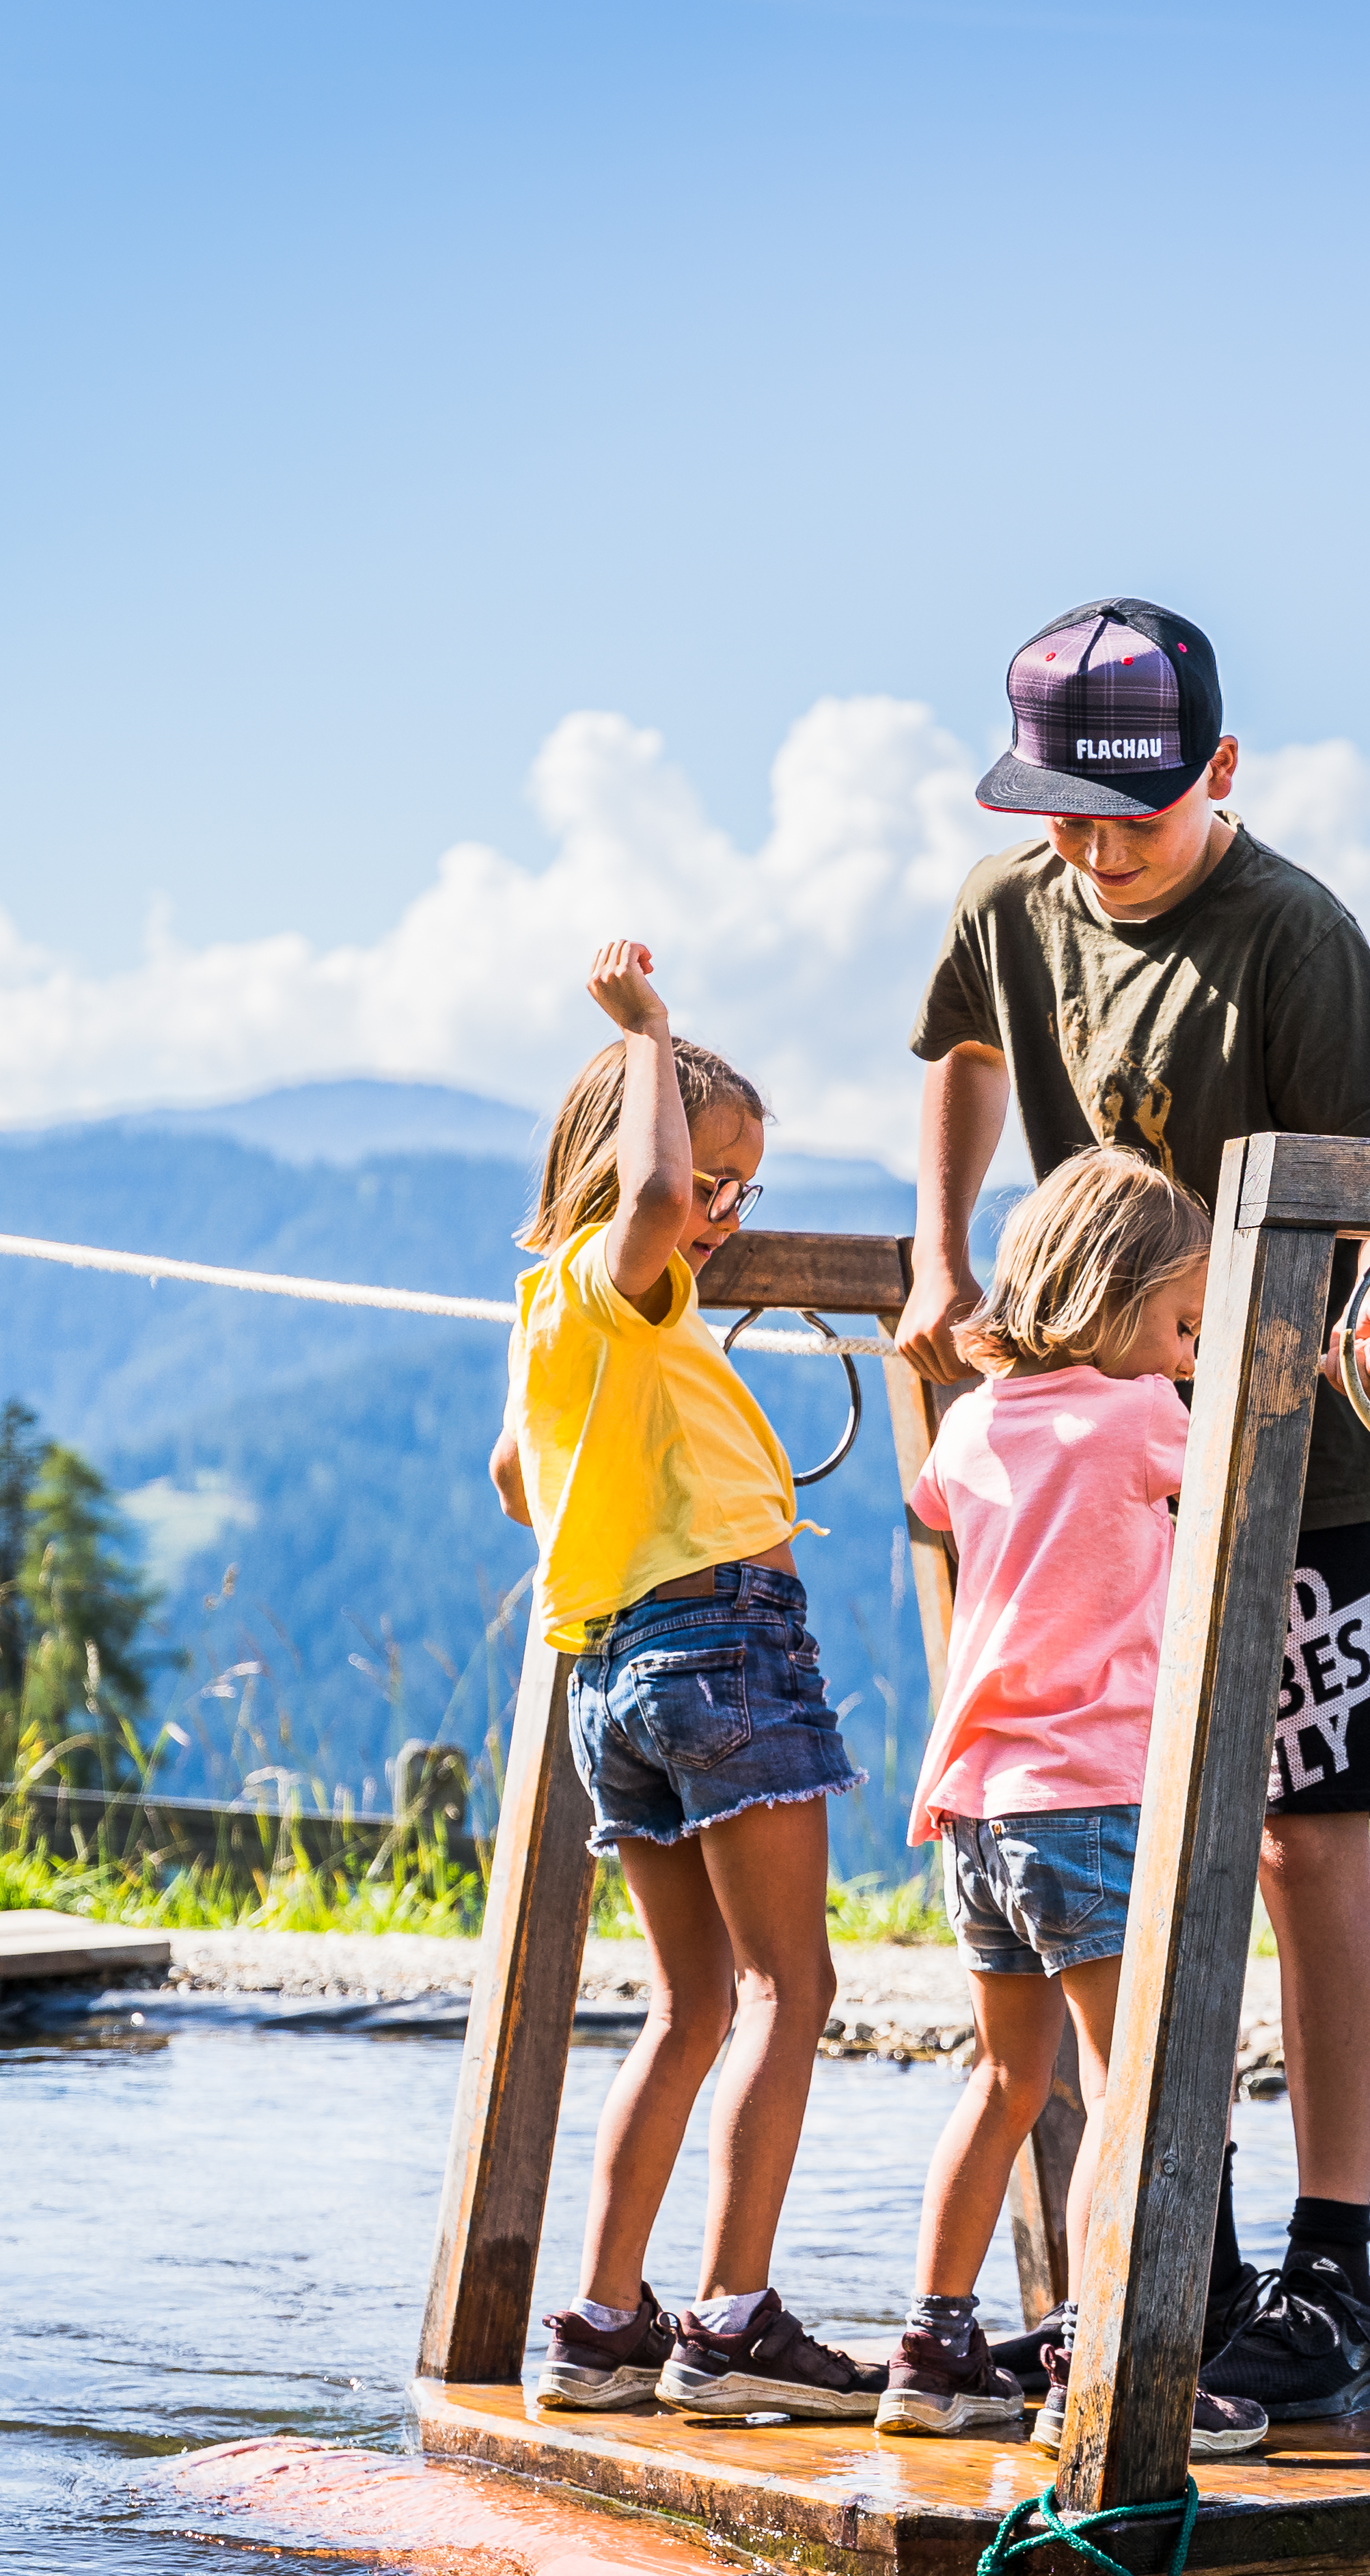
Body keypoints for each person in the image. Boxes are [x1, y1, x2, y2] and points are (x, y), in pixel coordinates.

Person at [894, 597, 1370, 2422]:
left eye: (1127, 812)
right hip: (1109, 1459)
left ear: (1218, 772)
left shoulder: (1282, 932)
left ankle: (1333, 2272)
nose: (1091, 845)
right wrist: (938, 1250)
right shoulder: (1010, 903)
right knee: (1120, 1852)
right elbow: (961, 1054)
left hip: (1301, 1470)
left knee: (1297, 1846)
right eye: (1060, 810)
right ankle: (1170, 2274)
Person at [493, 938, 878, 2422]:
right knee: (795, 1984)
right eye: (708, 1181)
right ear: (626, 1160)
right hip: (720, 1641)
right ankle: (729, 2322)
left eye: (741, 1191)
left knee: (693, 2002)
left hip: (610, 1674)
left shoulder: (549, 1313)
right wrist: (654, 1029)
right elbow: (645, 1206)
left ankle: (601, 2325)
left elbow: (515, 1479)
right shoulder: (618, 1269)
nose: (716, 1215)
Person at [869, 1148, 1268, 2458]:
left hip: (977, 1808)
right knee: (1130, 2089)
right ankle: (1103, 2362)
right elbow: (1250, 1433)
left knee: (1002, 2076)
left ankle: (931, 2351)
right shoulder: (1141, 1410)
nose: (1189, 1344)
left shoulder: (977, 1421)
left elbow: (932, 1502)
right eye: (1182, 1318)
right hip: (1086, 1799)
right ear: (1118, 1296)